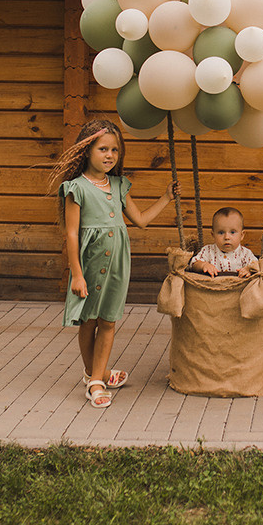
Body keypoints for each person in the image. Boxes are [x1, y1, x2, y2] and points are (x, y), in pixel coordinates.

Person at [50, 118, 179, 409]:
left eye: (115, 150)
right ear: (87, 151)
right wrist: (77, 274)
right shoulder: (75, 188)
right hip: (90, 263)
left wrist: (166, 197)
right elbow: (71, 234)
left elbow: (141, 220)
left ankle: (96, 377)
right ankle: (96, 378)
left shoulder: (119, 185)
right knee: (88, 321)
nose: (110, 155)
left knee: (108, 321)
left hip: (118, 265)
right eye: (103, 149)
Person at [189, 207, 259, 278]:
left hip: (238, 284)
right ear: (213, 235)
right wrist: (203, 265)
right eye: (221, 232)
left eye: (232, 232)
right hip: (214, 284)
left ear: (241, 235)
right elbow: (194, 264)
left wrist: (248, 269)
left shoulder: (245, 254)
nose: (227, 237)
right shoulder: (208, 251)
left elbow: (256, 266)